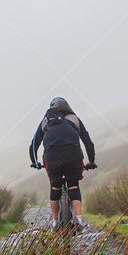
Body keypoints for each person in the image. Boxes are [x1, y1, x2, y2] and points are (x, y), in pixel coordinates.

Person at [29, 97, 97, 229]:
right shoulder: (74, 119)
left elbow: (33, 145)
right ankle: (78, 219)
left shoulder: (46, 120)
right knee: (73, 185)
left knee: (55, 186)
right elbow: (88, 142)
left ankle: (54, 222)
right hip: (73, 156)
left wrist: (35, 162)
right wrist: (91, 161)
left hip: (52, 158)